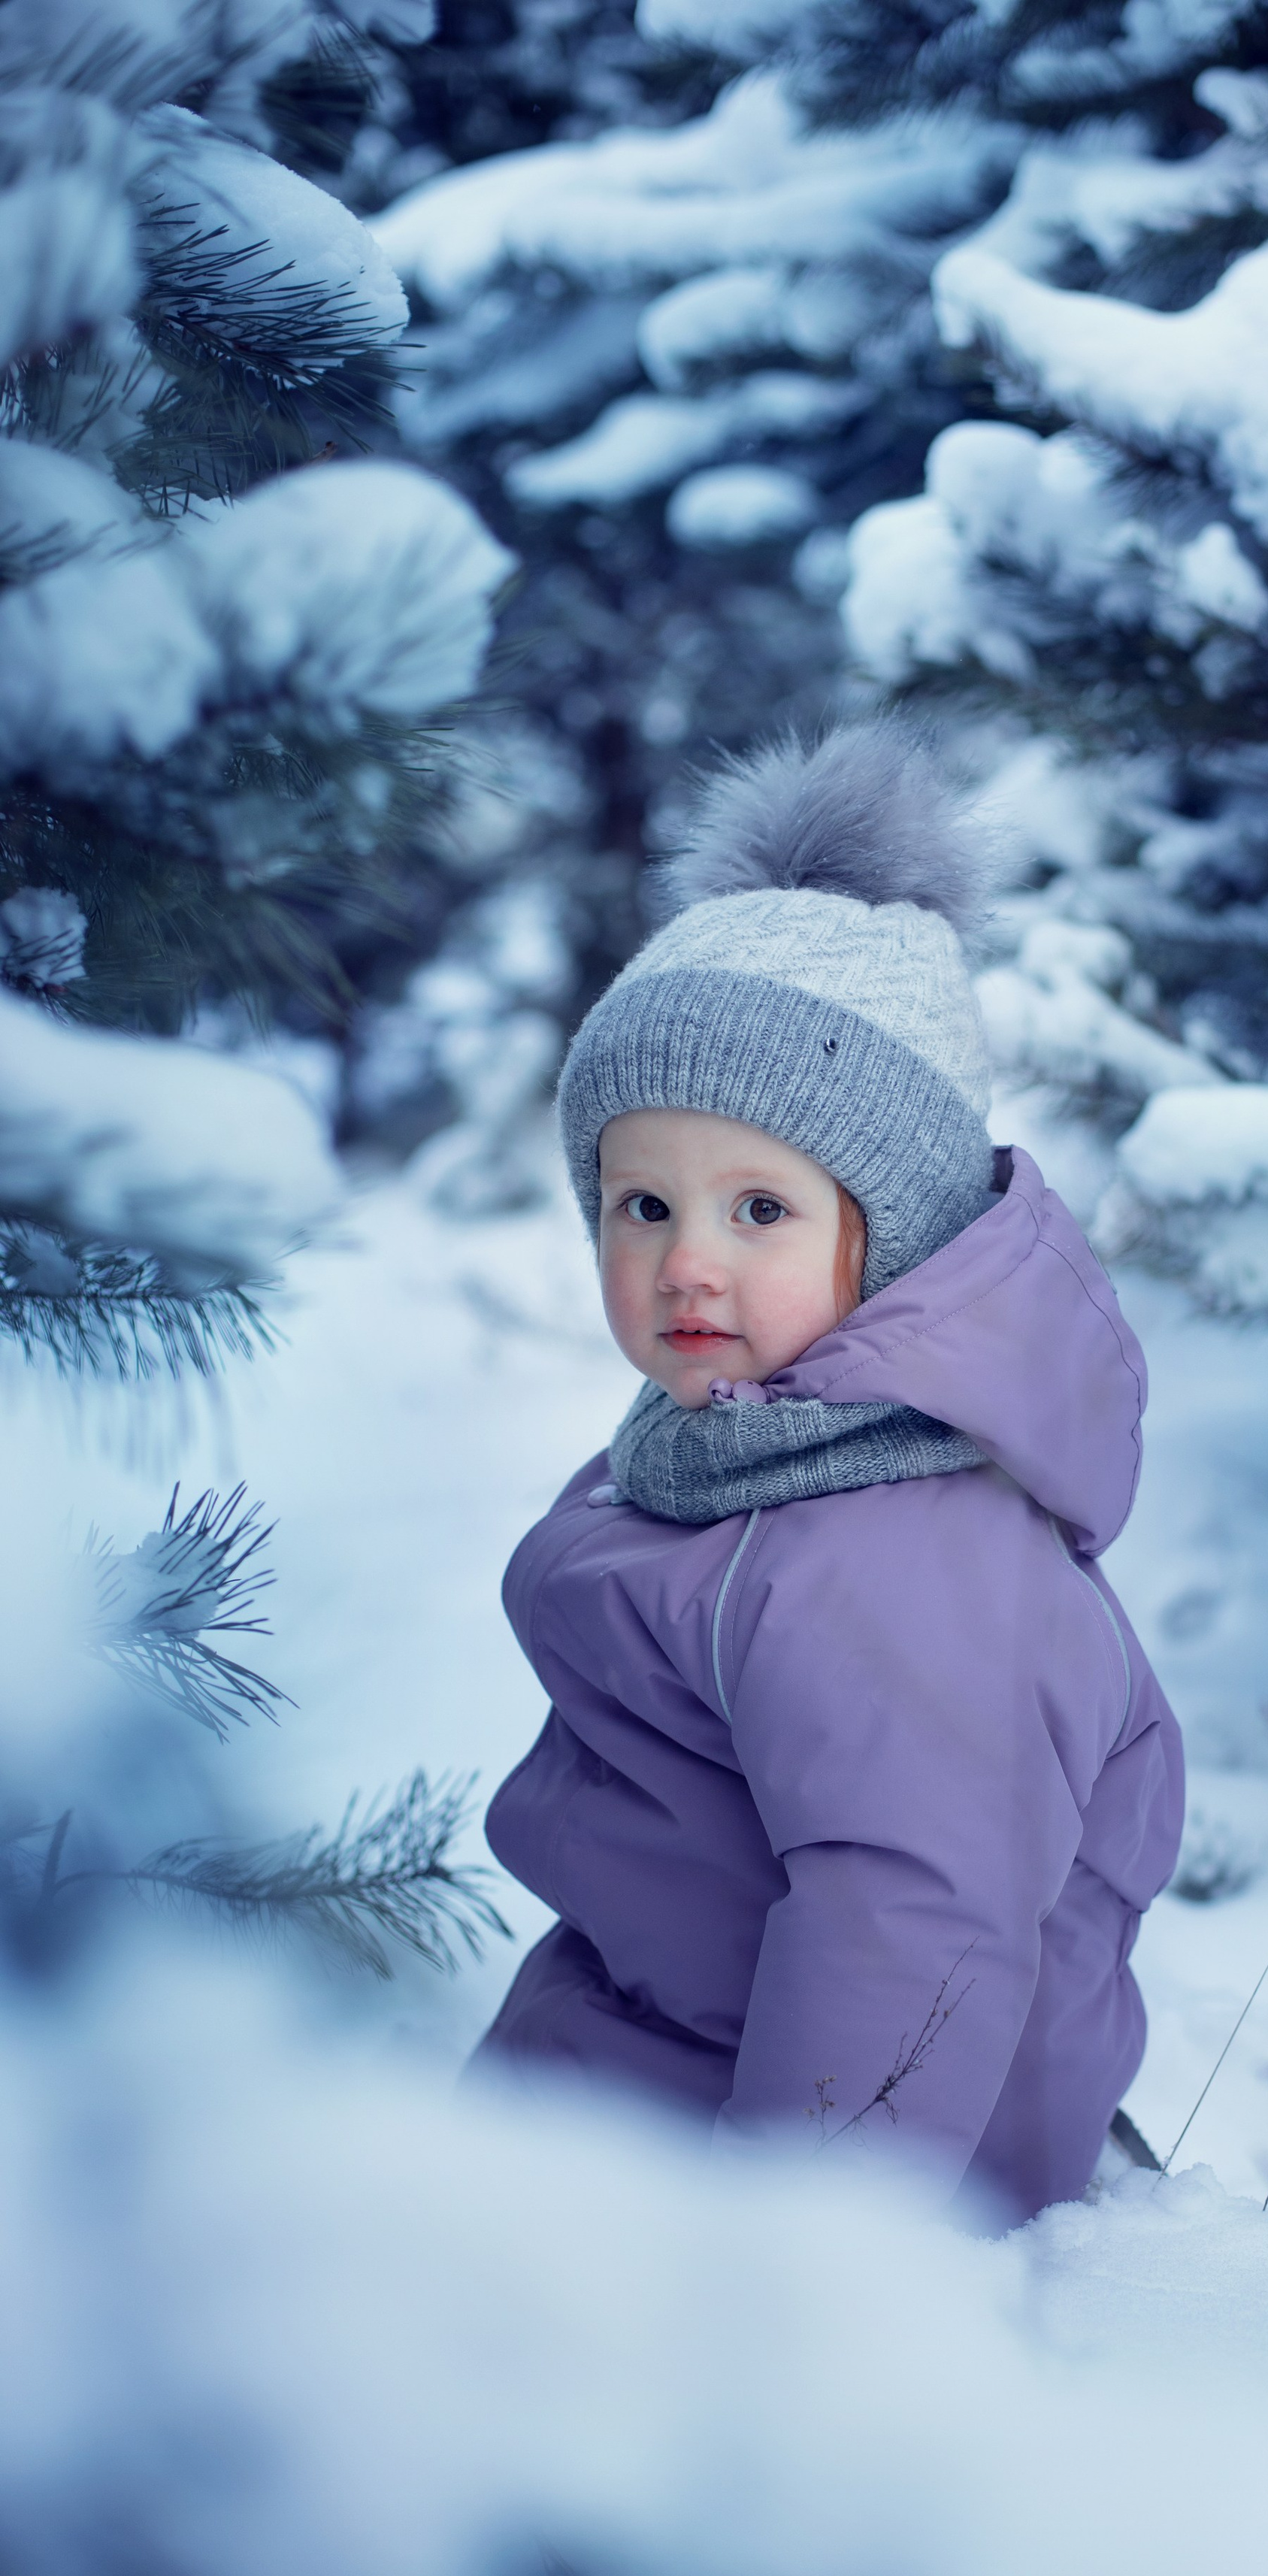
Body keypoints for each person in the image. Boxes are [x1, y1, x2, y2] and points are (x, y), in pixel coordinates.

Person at [474, 719, 1184, 2229]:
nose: (686, 1261)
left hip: (812, 2197)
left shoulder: (901, 1551)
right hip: (636, 2099)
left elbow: (906, 1939)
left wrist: (789, 2267)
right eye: (642, 1204)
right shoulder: (742, 1463)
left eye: (760, 1211)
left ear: (895, 1233)